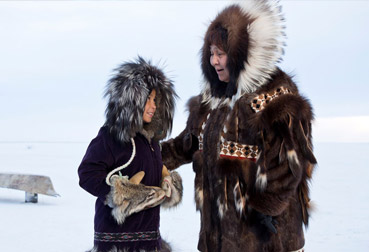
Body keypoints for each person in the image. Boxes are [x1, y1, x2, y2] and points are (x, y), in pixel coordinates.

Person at [161, 1, 317, 251]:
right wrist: (149, 156)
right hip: (219, 237)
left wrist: (266, 205)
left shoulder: (276, 94)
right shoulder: (212, 103)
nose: (214, 61)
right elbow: (187, 143)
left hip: (266, 238)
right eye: (210, 53)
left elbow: (292, 159)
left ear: (241, 53)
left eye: (220, 53)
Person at [78, 57, 182, 252]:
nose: (153, 106)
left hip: (149, 238)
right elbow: (87, 173)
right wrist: (119, 194)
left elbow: (150, 174)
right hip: (116, 241)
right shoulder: (111, 137)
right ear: (132, 100)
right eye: (147, 100)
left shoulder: (151, 142)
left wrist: (165, 180)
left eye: (155, 100)